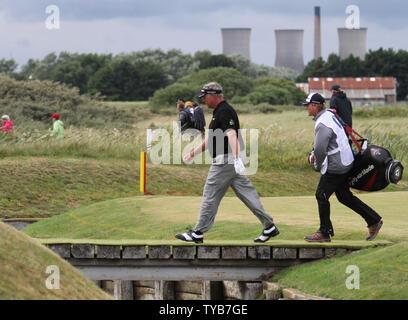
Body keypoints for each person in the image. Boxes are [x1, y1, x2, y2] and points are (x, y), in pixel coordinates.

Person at [175, 82, 279, 243]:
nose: (203, 101)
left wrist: (236, 158)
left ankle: (197, 232)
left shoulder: (224, 111)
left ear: (213, 95)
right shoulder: (219, 112)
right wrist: (192, 153)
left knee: (210, 193)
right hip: (230, 160)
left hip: (225, 160)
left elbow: (231, 135)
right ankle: (269, 226)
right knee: (247, 193)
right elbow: (210, 139)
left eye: (205, 97)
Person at [303, 92, 383, 242]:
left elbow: (320, 150)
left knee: (321, 195)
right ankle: (373, 220)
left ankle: (324, 232)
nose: (306, 108)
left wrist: (316, 165)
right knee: (344, 196)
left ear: (315, 106)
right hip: (347, 161)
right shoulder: (329, 114)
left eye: (307, 105)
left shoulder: (321, 124)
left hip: (337, 166)